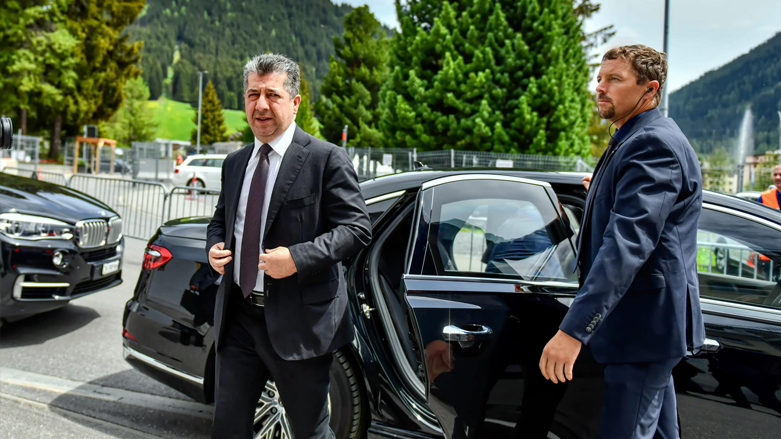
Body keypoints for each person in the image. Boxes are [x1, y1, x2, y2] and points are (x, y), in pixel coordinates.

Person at [538, 45, 705, 439]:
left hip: (641, 330)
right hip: (647, 333)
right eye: (600, 78)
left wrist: (572, 331)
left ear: (649, 89)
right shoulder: (637, 137)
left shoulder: (652, 144)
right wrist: (601, 191)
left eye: (614, 79)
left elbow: (627, 245)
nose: (600, 87)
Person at [206, 53, 372, 439]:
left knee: (309, 432)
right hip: (238, 319)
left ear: (295, 102)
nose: (260, 105)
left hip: (300, 324)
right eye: (252, 94)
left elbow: (357, 228)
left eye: (272, 95)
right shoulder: (235, 163)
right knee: (227, 429)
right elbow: (221, 221)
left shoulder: (326, 158)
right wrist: (215, 247)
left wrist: (297, 258)